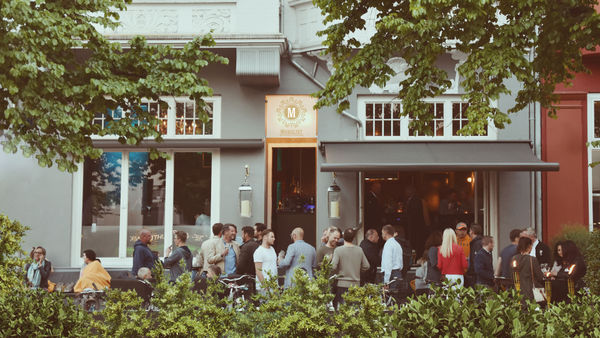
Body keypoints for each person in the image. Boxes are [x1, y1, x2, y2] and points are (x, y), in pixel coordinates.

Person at [331, 228, 370, 308]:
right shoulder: (359, 250)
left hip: (342, 284)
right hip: (355, 284)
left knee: (342, 311)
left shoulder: (338, 250)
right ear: (353, 238)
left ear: (343, 236)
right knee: (354, 311)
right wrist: (358, 270)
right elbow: (366, 266)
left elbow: (333, 266)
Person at [512, 237, 544, 303]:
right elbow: (540, 276)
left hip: (517, 291)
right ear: (529, 246)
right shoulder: (532, 259)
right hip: (530, 291)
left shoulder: (514, 258)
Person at [253, 229, 278, 294]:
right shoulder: (259, 251)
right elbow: (258, 271)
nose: (274, 239)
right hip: (264, 288)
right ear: (265, 237)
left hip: (274, 286)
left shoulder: (272, 249)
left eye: (274, 237)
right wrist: (265, 286)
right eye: (272, 237)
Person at [381, 224, 403, 290]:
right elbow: (401, 262)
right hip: (398, 273)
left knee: (388, 297)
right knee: (395, 298)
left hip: (391, 275)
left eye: (382, 233)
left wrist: (386, 282)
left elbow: (388, 263)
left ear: (385, 233)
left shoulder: (388, 244)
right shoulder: (397, 244)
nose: (382, 235)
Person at [465, 223, 483, 287]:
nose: (469, 233)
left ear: (472, 231)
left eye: (469, 231)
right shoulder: (479, 242)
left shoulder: (477, 243)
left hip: (475, 276)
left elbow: (476, 259)